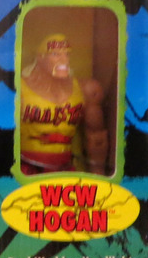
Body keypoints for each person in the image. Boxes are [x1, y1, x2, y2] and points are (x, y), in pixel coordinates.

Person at [19, 34, 108, 175]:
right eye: (55, 54)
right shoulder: (19, 88)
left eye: (67, 54)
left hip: (64, 170)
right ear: (40, 58)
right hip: (27, 169)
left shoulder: (86, 90)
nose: (64, 60)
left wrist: (99, 175)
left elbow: (96, 136)